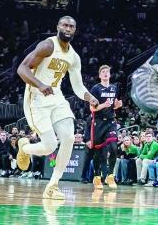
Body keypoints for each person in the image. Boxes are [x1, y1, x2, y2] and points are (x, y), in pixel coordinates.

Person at [15, 16, 100, 200]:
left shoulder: (73, 56)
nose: (68, 29)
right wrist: (39, 84)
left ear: (75, 30)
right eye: (65, 25)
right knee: (49, 146)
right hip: (36, 99)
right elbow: (22, 69)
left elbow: (77, 86)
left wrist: (90, 97)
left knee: (69, 137)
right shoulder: (47, 46)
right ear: (58, 27)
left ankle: (53, 186)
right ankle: (25, 148)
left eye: (72, 26)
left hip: (57, 98)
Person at [87, 65, 120, 189]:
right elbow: (92, 108)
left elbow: (114, 105)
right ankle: (97, 176)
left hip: (111, 121)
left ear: (109, 74)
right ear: (100, 75)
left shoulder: (113, 88)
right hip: (98, 122)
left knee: (113, 147)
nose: (106, 73)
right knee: (98, 152)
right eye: (103, 72)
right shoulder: (96, 88)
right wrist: (103, 105)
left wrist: (117, 105)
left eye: (107, 72)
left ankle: (110, 175)